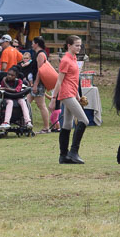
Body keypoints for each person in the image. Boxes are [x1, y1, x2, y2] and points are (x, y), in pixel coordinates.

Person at [49, 35, 90, 164]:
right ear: (69, 46)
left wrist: (78, 96)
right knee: (84, 120)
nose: (79, 47)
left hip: (72, 93)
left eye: (80, 45)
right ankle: (73, 152)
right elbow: (59, 81)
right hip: (66, 94)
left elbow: (73, 80)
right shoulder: (66, 60)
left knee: (67, 125)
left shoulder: (74, 58)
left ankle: (63, 156)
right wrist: (53, 99)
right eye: (76, 45)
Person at [0, 66, 33, 130]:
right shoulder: (3, 81)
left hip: (18, 96)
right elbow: (0, 90)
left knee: (22, 101)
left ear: (16, 76)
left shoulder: (19, 81)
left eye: (12, 75)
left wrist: (5, 87)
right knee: (10, 102)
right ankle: (6, 122)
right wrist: (4, 83)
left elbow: (17, 90)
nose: (9, 76)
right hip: (7, 98)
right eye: (8, 74)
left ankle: (28, 121)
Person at [31, 37, 52, 133]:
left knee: (41, 105)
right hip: (34, 83)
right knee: (25, 102)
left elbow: (40, 71)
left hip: (38, 83)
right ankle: (26, 123)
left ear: (37, 44)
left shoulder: (40, 54)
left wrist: (35, 84)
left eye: (33, 43)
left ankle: (46, 127)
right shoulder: (40, 54)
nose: (31, 45)